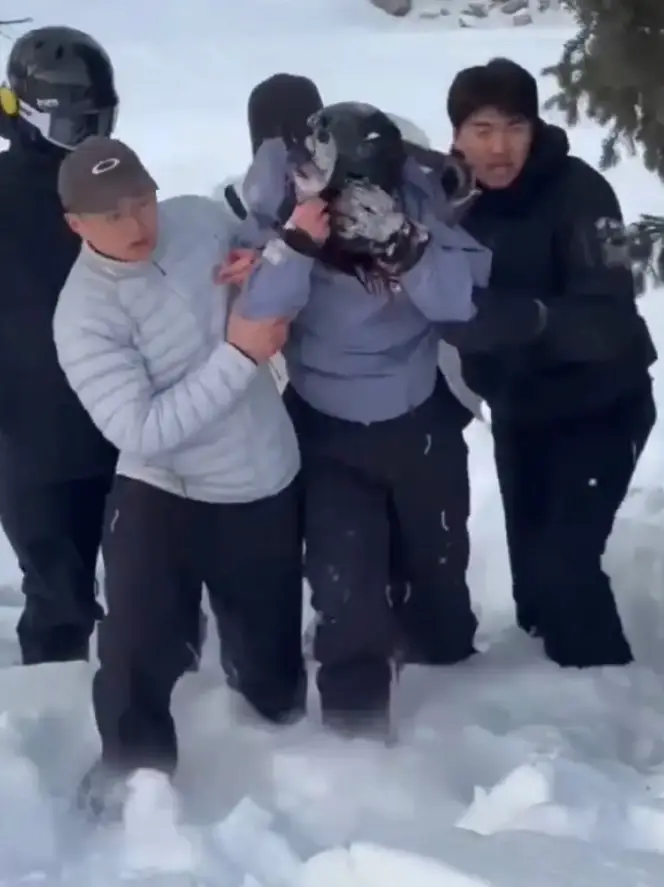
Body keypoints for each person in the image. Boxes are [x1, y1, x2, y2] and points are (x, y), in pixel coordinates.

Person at [224, 101, 497, 738]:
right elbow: (257, 312)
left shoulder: (420, 198)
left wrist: (406, 247)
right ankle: (356, 731)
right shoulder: (285, 203)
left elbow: (461, 301)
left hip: (418, 417)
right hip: (326, 429)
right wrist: (298, 243)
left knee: (438, 570)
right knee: (346, 586)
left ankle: (456, 696)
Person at [52, 136, 304, 818]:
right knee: (136, 641)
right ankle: (133, 772)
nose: (136, 223)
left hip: (264, 476)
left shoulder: (198, 219)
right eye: (111, 215)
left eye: (142, 201)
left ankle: (280, 738)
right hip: (165, 488)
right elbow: (141, 429)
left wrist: (260, 263)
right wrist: (240, 354)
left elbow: (263, 250)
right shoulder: (83, 317)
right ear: (76, 224)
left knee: (272, 671)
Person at [444, 58, 657, 667]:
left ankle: (604, 686)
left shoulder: (583, 193)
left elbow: (610, 315)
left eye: (515, 126)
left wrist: (526, 319)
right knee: (536, 589)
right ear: (457, 135)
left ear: (534, 128)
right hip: (520, 410)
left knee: (566, 566)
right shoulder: (449, 198)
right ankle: (547, 693)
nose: (499, 147)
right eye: (482, 129)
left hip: (602, 406)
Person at [0, 26, 119, 665]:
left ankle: (178, 700)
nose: (91, 140)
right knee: (57, 596)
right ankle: (50, 703)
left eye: (101, 123)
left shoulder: (114, 186)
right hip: (31, 438)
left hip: (122, 422)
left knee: (146, 588)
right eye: (78, 126)